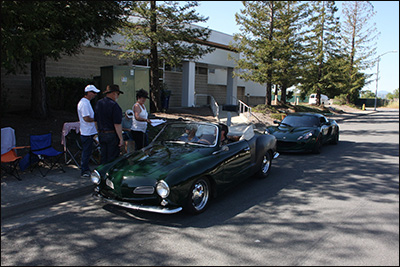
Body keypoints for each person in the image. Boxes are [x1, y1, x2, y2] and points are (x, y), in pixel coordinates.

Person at [94, 84, 124, 164]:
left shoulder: (99, 103)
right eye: (118, 94)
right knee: (112, 158)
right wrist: (121, 138)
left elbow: (95, 121)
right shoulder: (114, 106)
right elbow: (117, 124)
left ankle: (102, 174)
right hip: (111, 134)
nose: (118, 96)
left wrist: (98, 132)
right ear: (114, 93)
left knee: (103, 156)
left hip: (101, 133)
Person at [77, 84, 100, 178]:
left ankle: (86, 168)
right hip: (87, 132)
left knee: (88, 151)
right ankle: (84, 170)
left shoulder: (86, 102)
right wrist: (96, 119)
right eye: (93, 92)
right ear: (88, 93)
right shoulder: (84, 103)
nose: (95, 94)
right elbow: (86, 118)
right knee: (86, 152)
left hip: (89, 131)